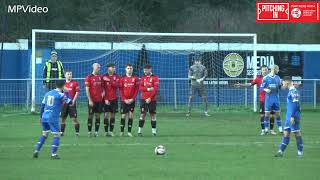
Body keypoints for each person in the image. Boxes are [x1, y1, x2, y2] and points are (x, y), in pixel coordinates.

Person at [33, 80, 72, 159]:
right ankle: (53, 154)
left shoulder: (47, 93)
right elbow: (70, 102)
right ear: (63, 86)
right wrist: (67, 92)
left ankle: (36, 150)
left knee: (44, 134)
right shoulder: (61, 95)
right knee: (57, 135)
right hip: (53, 117)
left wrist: (41, 117)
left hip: (44, 116)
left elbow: (42, 106)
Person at [235, 65, 276, 135]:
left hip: (271, 100)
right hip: (263, 100)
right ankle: (263, 130)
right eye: (263, 70)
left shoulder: (272, 78)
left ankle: (271, 130)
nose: (265, 71)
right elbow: (250, 84)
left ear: (268, 70)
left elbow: (277, 85)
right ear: (261, 71)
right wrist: (241, 85)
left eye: (266, 69)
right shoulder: (258, 78)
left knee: (272, 115)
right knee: (262, 115)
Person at [275, 76, 303, 157]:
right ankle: (280, 152)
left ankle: (300, 153)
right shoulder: (291, 91)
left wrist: (293, 116)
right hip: (289, 116)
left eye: (283, 82)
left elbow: (296, 104)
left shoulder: (293, 91)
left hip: (292, 116)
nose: (282, 84)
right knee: (286, 133)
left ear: (286, 82)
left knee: (296, 133)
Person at [138, 64, 159, 136]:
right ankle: (139, 131)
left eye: (146, 70)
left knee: (152, 115)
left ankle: (154, 132)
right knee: (142, 114)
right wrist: (148, 89)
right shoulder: (143, 78)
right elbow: (140, 88)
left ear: (150, 69)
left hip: (152, 100)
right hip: (143, 99)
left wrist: (150, 98)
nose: (145, 71)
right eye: (144, 70)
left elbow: (155, 89)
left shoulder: (155, 78)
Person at [261, 65, 283, 134]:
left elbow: (280, 87)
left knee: (278, 114)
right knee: (267, 114)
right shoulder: (265, 78)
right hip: (268, 99)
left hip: (276, 99)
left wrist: (283, 86)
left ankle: (280, 129)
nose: (278, 70)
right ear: (274, 69)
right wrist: (266, 89)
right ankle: (266, 129)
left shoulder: (278, 78)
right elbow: (261, 88)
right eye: (278, 69)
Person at [119, 64, 139, 137]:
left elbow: (136, 90)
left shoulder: (135, 78)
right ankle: (121, 131)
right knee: (123, 116)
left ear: (132, 69)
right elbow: (120, 90)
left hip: (131, 100)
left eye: (130, 68)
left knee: (130, 115)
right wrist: (124, 99)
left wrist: (132, 98)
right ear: (125, 69)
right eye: (128, 68)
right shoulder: (122, 78)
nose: (129, 69)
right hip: (124, 101)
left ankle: (129, 132)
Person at [85, 63, 104, 137]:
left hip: (99, 100)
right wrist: (90, 100)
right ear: (93, 67)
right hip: (92, 100)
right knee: (90, 116)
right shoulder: (89, 77)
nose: (99, 69)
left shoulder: (100, 77)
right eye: (97, 67)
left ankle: (96, 132)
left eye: (99, 67)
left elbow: (103, 88)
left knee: (98, 116)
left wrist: (103, 93)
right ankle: (89, 132)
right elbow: (87, 90)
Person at [102, 63, 120, 137]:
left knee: (113, 115)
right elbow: (102, 88)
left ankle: (111, 131)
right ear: (108, 68)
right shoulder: (103, 77)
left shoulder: (117, 76)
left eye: (114, 67)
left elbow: (117, 85)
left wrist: (109, 80)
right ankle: (106, 131)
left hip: (114, 99)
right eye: (111, 67)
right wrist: (105, 99)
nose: (113, 69)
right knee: (106, 115)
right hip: (106, 99)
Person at [60, 70, 80, 136]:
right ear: (65, 75)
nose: (69, 75)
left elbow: (77, 92)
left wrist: (73, 101)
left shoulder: (75, 83)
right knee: (63, 119)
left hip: (72, 104)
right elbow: (60, 94)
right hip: (64, 104)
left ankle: (77, 133)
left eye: (70, 74)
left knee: (74, 119)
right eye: (68, 74)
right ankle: (62, 133)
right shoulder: (62, 84)